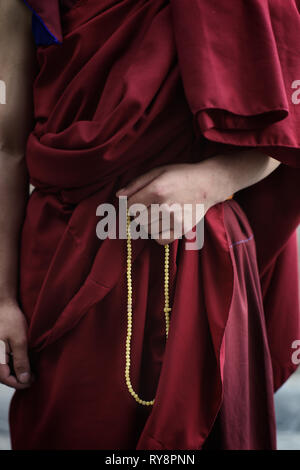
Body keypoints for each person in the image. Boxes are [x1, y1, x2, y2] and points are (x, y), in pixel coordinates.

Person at [0, 0, 299, 450]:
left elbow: (290, 123)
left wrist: (211, 181)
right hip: (67, 256)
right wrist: (2, 297)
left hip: (203, 247)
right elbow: (6, 147)